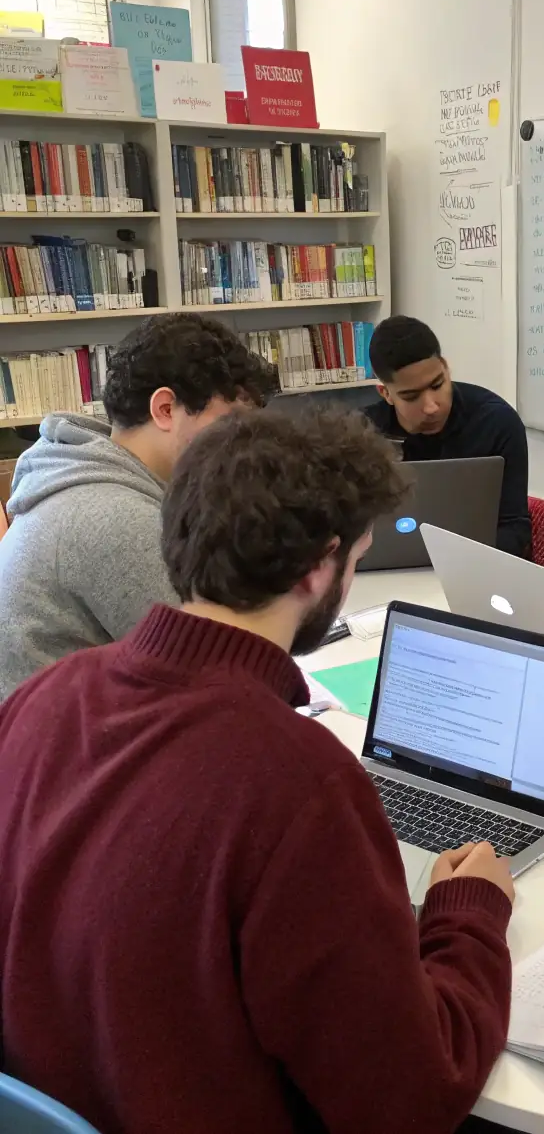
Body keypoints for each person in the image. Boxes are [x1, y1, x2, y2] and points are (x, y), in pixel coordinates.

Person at [0, 405, 514, 1134]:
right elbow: (413, 1099)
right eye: (357, 560)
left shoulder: (43, 696)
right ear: (318, 566)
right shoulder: (300, 784)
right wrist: (468, 915)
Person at [0, 312, 278, 698]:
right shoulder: (112, 517)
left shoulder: (89, 475)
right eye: (230, 424)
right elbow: (217, 679)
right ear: (164, 409)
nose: (240, 444)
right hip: (64, 734)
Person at [366, 314, 532, 558]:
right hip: (388, 571)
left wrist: (457, 563)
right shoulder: (363, 434)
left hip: (479, 567)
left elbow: (515, 529)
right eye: (411, 397)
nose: (431, 407)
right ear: (386, 394)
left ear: (445, 367)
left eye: (437, 385)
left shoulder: (496, 423)